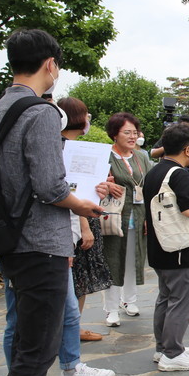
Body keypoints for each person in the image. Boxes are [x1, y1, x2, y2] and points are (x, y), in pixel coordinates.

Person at [0, 28, 102, 376]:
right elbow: (51, 187)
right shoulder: (44, 112)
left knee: (28, 341)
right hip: (41, 243)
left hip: (10, 240)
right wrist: (85, 205)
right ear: (50, 64)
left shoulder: (1, 107)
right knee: (37, 350)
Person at [144, 124, 189, 372]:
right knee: (182, 299)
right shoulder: (178, 174)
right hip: (180, 247)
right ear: (187, 149)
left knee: (166, 297)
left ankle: (163, 347)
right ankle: (173, 353)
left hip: (159, 246)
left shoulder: (155, 171)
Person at [58, 98, 113, 341]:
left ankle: (72, 329)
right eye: (86, 115)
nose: (88, 120)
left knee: (78, 279)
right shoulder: (63, 149)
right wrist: (84, 228)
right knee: (77, 279)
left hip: (81, 217)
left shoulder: (70, 146)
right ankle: (70, 332)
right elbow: (69, 193)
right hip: (75, 222)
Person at [102, 112, 153, 328]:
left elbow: (149, 184)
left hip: (138, 216)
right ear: (115, 134)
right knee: (113, 260)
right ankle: (111, 309)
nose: (132, 137)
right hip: (114, 216)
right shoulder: (106, 156)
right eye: (127, 132)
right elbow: (95, 183)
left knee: (134, 259)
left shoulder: (141, 157)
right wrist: (105, 183)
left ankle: (129, 300)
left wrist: (148, 217)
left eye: (135, 132)